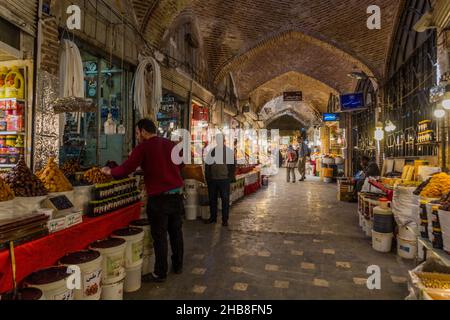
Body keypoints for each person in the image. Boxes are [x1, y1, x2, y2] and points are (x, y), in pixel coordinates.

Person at [101, 119, 184, 283]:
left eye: (138, 133)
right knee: (176, 232)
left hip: (159, 199)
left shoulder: (143, 147)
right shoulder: (171, 145)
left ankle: (160, 273)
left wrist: (110, 171)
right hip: (176, 195)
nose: (137, 136)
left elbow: (126, 168)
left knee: (159, 236)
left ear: (144, 132)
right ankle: (178, 265)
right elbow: (181, 165)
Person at [204, 134, 236, 227]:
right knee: (212, 200)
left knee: (225, 200)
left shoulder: (229, 152)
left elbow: (232, 166)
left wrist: (229, 178)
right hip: (213, 180)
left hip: (224, 180)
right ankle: (213, 218)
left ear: (223, 140)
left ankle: (225, 220)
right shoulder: (212, 151)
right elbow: (207, 166)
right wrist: (208, 178)